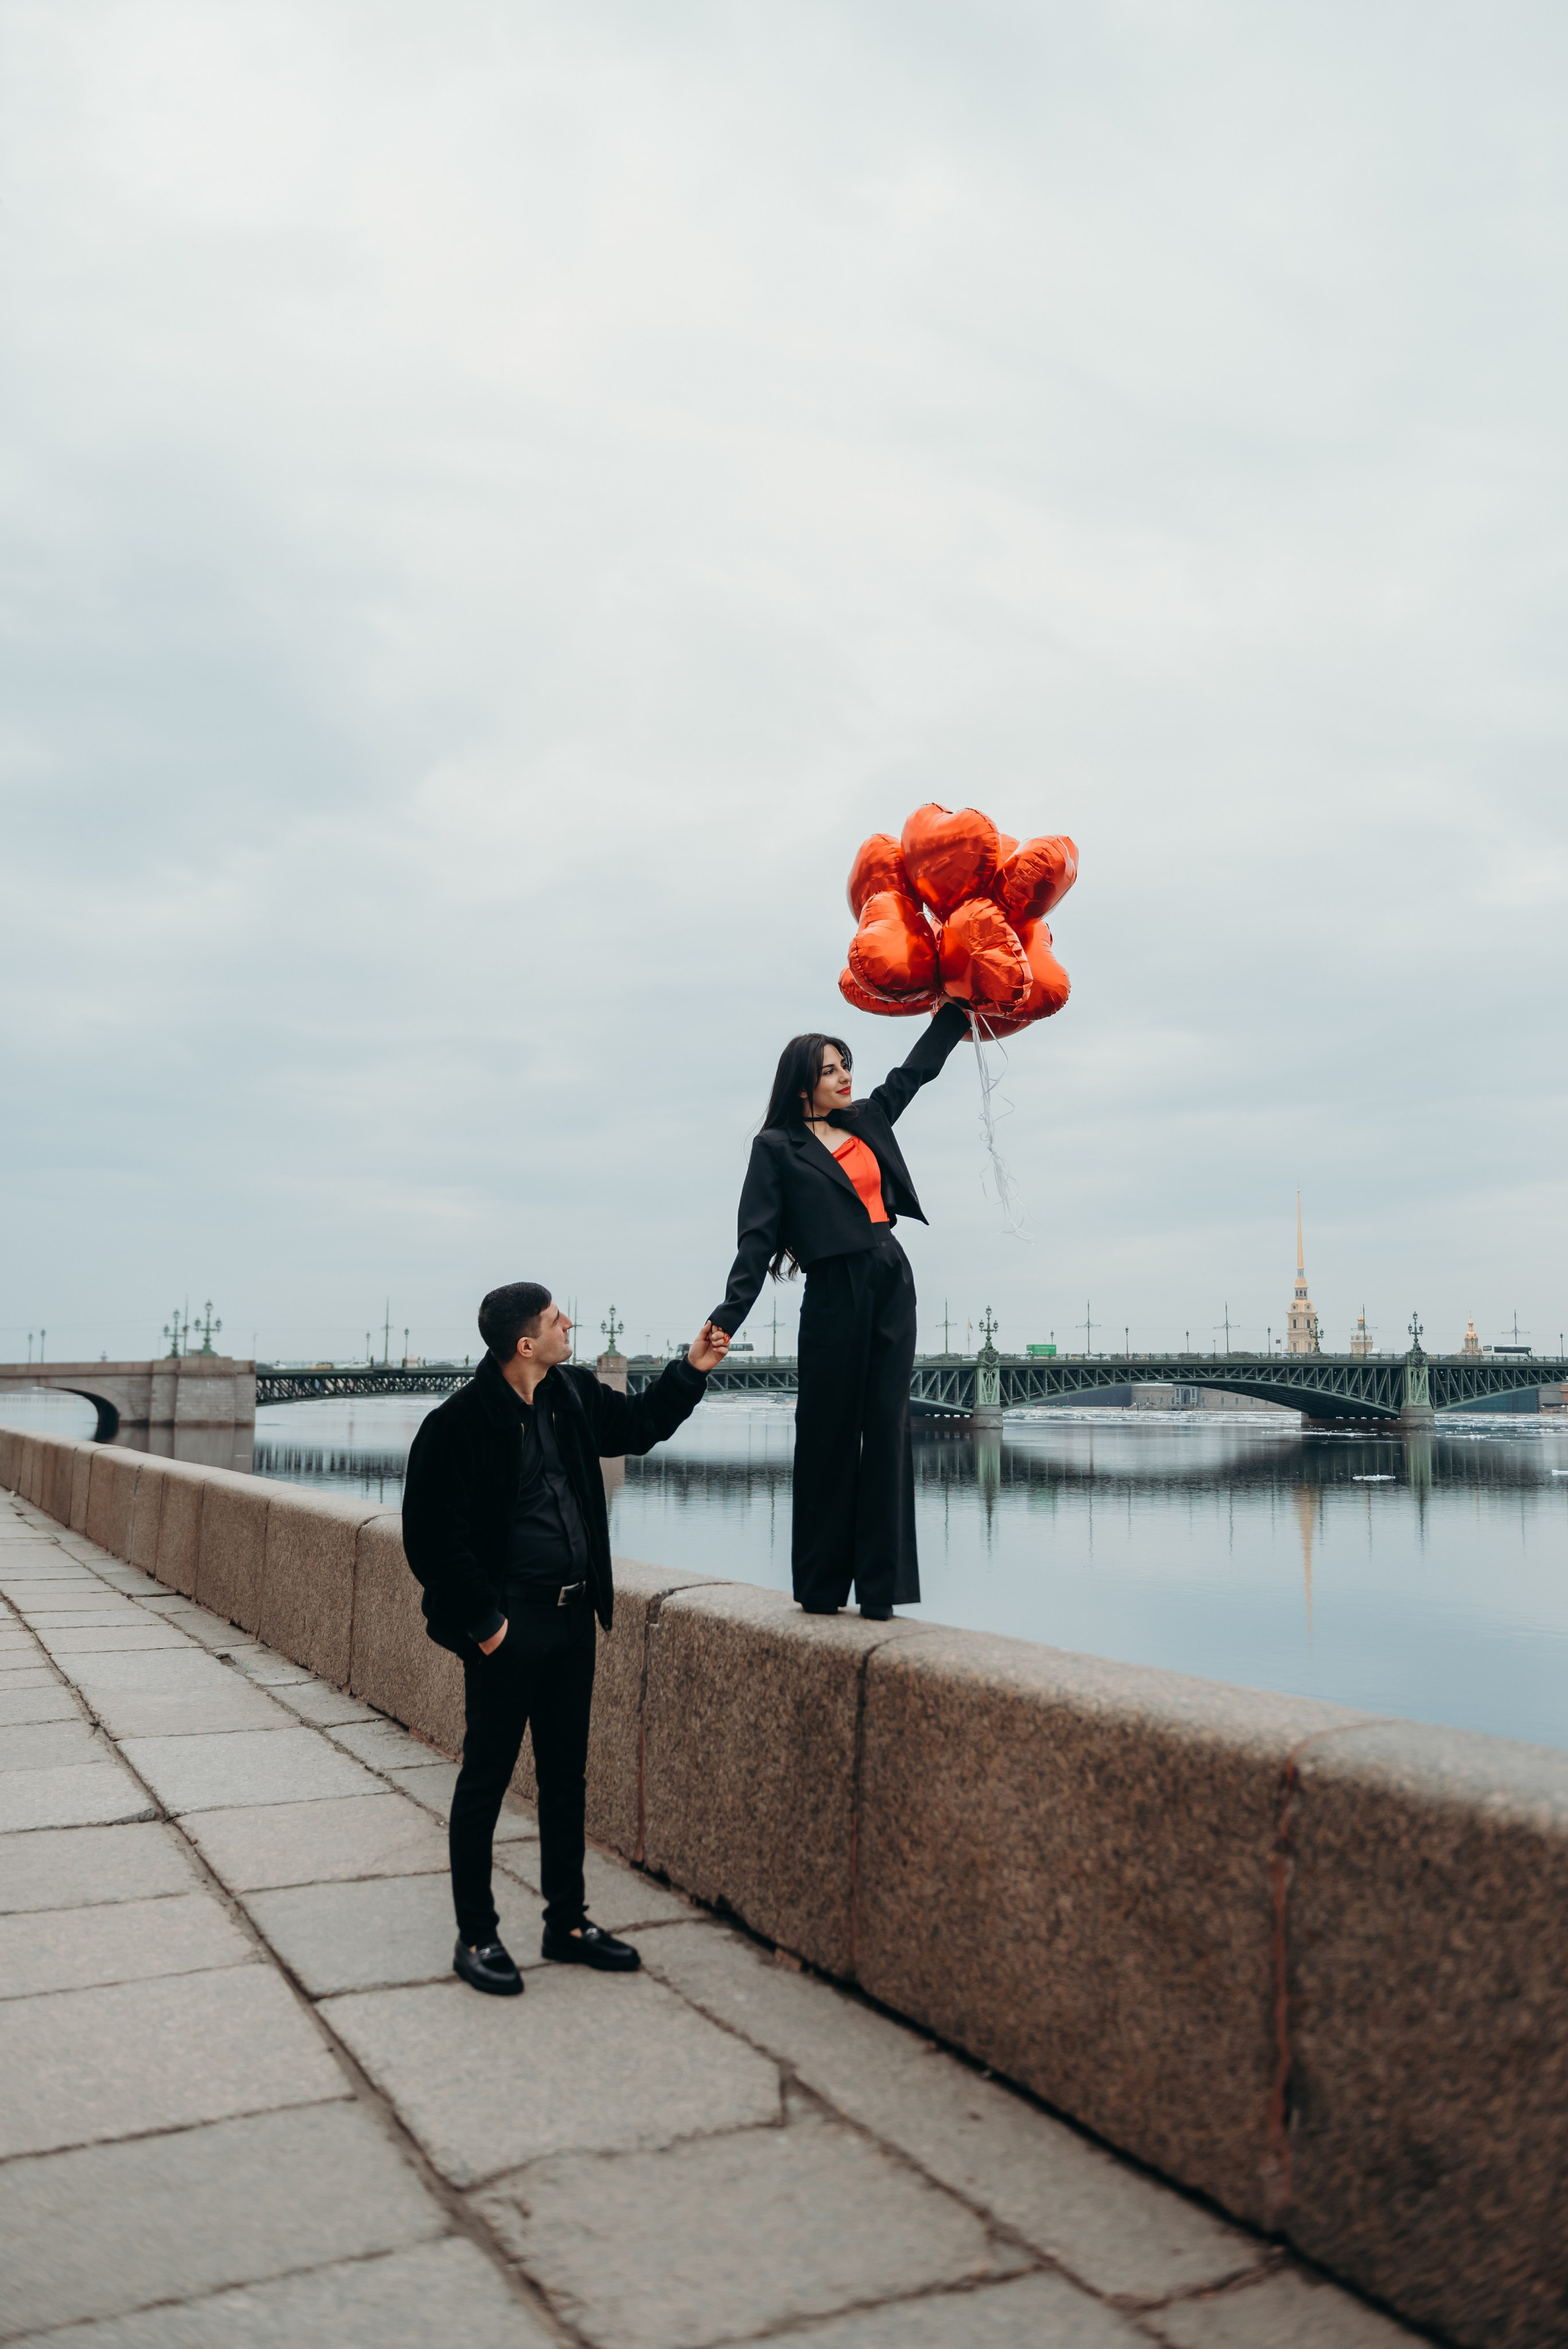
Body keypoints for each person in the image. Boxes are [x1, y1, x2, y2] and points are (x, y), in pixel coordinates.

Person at [402, 1283, 729, 1997]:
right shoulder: (456, 1424)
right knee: (485, 1780)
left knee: (565, 1779)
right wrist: (488, 1628)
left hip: (574, 1618)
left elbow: (641, 1425)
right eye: (556, 1319)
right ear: (526, 1343)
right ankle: (478, 1934)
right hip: (508, 1626)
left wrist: (692, 1368)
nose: (568, 1324)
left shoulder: (573, 1394)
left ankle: (567, 1922)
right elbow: (432, 1539)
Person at [709, 999, 970, 1619]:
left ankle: (880, 1591)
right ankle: (823, 1588)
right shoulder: (775, 1147)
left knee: (885, 1428)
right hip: (832, 1287)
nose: (844, 1077)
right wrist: (726, 1319)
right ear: (803, 1083)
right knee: (826, 1433)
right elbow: (756, 1240)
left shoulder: (869, 1119)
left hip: (889, 1277)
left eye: (846, 1065)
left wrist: (958, 1012)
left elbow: (914, 1073)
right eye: (831, 1069)